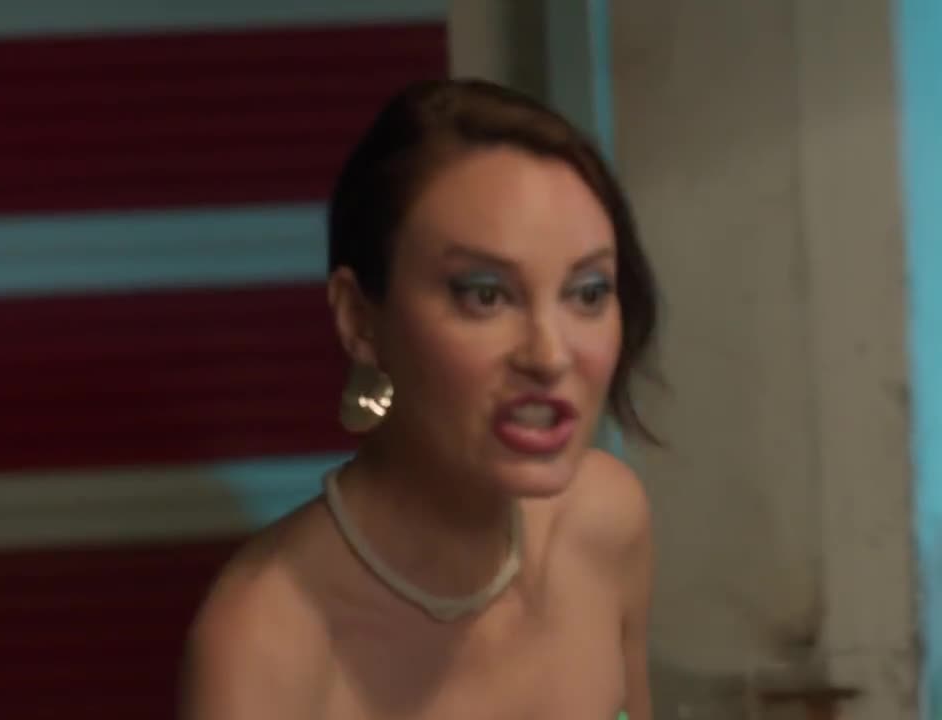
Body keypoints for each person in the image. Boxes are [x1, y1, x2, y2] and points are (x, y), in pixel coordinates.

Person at [178, 78, 659, 720]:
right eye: (485, 294)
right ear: (359, 318)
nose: (549, 355)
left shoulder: (605, 521)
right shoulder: (266, 638)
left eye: (589, 292)